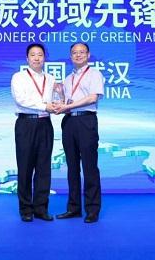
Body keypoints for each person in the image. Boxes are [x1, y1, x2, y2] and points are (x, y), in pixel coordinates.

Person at [53, 42, 104, 223]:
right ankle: (73, 208)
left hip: (86, 120)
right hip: (69, 122)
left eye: (82, 52)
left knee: (90, 167)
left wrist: (69, 106)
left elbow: (92, 97)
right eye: (74, 52)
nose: (78, 55)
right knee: (72, 167)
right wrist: (59, 102)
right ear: (70, 56)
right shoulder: (68, 79)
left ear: (88, 55)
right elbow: (66, 103)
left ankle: (92, 210)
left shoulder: (94, 74)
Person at [11, 43, 56, 222]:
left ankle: (41, 208)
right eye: (33, 55)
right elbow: (21, 100)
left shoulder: (51, 79)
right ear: (27, 58)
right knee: (25, 167)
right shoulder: (18, 77)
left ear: (45, 58)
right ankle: (25, 209)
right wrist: (46, 106)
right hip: (26, 124)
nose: (37, 58)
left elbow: (54, 100)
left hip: (45, 124)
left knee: (44, 168)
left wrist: (59, 105)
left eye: (40, 55)